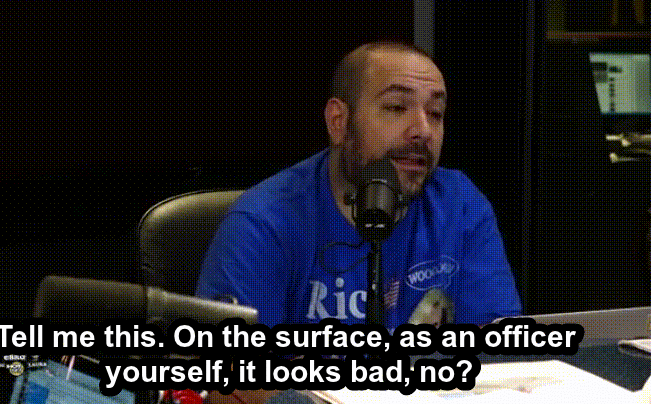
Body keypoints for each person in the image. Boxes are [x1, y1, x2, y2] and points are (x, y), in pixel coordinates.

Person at [196, 42, 522, 329]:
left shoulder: (460, 205)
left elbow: (501, 353)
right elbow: (232, 372)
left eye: (435, 113)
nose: (423, 130)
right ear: (339, 122)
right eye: (396, 108)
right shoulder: (263, 223)